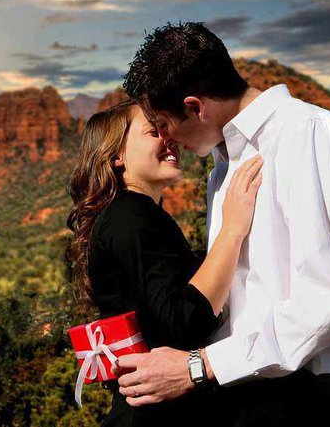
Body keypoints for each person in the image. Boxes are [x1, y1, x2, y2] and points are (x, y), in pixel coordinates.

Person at [112, 22, 330, 427]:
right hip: (239, 398)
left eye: (162, 123)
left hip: (302, 405)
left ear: (195, 107)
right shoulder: (223, 169)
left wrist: (197, 366)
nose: (165, 137)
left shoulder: (309, 135)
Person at [66, 99, 263, 426]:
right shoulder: (131, 215)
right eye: (153, 131)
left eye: (166, 127)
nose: (168, 137)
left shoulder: (128, 215)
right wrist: (233, 229)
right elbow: (183, 322)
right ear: (116, 156)